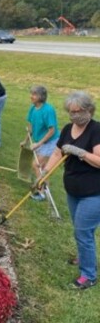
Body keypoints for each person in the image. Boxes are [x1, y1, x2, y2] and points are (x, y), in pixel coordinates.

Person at [37, 91, 100, 289]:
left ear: (89, 110)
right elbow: (57, 153)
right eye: (70, 112)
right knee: (81, 230)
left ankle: (89, 275)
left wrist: (81, 153)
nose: (74, 115)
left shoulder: (96, 130)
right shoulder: (66, 129)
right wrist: (44, 173)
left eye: (77, 111)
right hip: (73, 191)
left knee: (83, 232)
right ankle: (84, 258)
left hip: (94, 192)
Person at [22, 85, 60, 201]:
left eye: (34, 94)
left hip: (51, 142)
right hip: (40, 141)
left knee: (36, 164)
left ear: (41, 97)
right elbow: (30, 126)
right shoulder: (33, 108)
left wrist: (38, 144)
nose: (31, 96)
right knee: (42, 167)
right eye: (31, 93)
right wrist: (26, 141)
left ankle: (41, 192)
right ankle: (45, 189)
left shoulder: (48, 110)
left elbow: (52, 130)